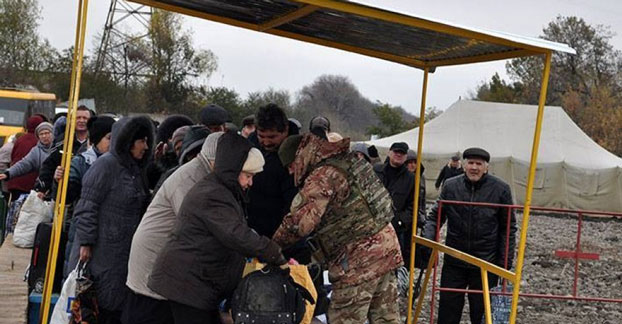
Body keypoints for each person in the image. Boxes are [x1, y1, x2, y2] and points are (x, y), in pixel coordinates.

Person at [148, 131, 286, 324]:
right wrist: (273, 253)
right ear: (233, 170)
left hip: (197, 284)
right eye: (248, 176)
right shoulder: (213, 194)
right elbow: (236, 234)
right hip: (187, 285)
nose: (250, 182)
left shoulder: (223, 190)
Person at [274, 134, 403, 324]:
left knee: (344, 319)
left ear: (300, 157)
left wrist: (271, 245)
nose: (291, 171)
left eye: (290, 166)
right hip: (386, 251)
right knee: (386, 318)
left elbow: (300, 223)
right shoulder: (349, 160)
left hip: (358, 261)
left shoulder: (323, 175)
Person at [125, 131, 224, 324]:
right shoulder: (190, 179)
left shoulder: (203, 175)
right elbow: (199, 228)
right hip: (153, 274)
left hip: (163, 273)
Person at [73, 115, 154, 324]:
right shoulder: (105, 166)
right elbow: (87, 205)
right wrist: (86, 242)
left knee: (117, 306)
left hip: (124, 252)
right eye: (141, 141)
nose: (145, 147)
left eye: (147, 141)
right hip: (103, 251)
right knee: (102, 305)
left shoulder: (136, 170)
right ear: (128, 142)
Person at [421, 147, 517, 324]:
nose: (474, 167)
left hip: (485, 263)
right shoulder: (450, 186)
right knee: (448, 312)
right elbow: (436, 216)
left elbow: (508, 228)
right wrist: (428, 240)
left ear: (486, 167)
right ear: (464, 165)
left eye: (478, 164)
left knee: (481, 314)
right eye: (471, 163)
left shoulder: (501, 189)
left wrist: (505, 263)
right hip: (454, 260)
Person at [61, 116, 116, 279]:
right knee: (76, 277)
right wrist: (61, 182)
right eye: (109, 138)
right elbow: (68, 196)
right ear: (97, 139)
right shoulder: (81, 162)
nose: (113, 143)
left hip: (108, 231)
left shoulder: (121, 165)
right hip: (82, 229)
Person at [246, 104, 299, 239]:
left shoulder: (299, 153)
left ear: (285, 130)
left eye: (272, 137)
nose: (266, 142)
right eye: (261, 136)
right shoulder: (249, 145)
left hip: (284, 231)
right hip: (252, 228)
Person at [374, 142, 420, 260]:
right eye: (396, 152)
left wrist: (399, 222)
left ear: (405, 156)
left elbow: (413, 205)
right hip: (371, 226)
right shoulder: (376, 171)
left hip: (395, 231)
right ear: (390, 153)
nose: (398, 155)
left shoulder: (412, 179)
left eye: (402, 153)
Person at [35, 106, 91, 198]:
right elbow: (49, 166)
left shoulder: (96, 141)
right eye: (78, 117)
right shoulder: (62, 141)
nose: (81, 121)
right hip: (66, 193)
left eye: (85, 118)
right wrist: (42, 188)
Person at [6, 115, 43, 200]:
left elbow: (13, 156)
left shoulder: (20, 139)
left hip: (14, 181)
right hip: (30, 184)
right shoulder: (39, 141)